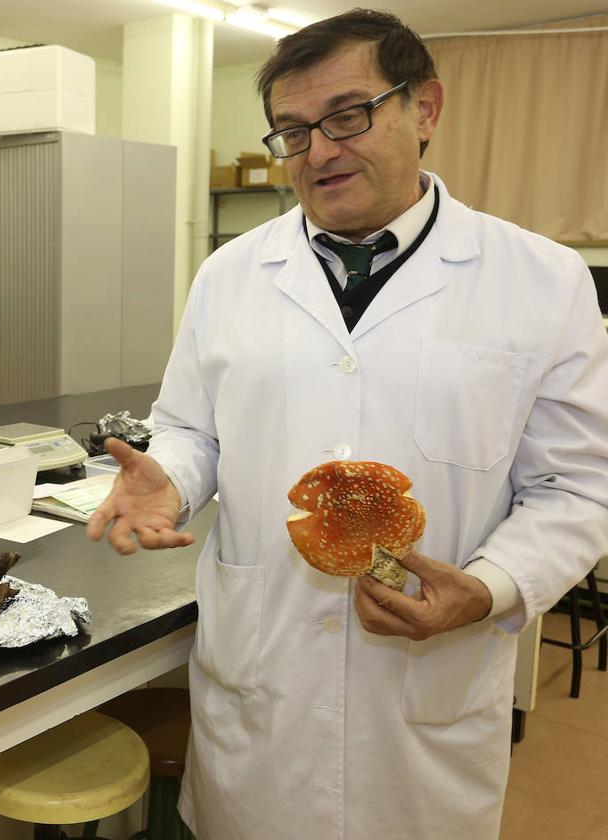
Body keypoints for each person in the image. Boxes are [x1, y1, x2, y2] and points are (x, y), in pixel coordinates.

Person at [86, 9, 608, 840]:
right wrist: (173, 478)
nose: (319, 151)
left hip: (425, 698)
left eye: (348, 116)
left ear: (425, 108)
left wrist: (493, 588)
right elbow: (193, 428)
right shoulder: (230, 276)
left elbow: (577, 486)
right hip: (264, 683)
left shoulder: (540, 281)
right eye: (293, 133)